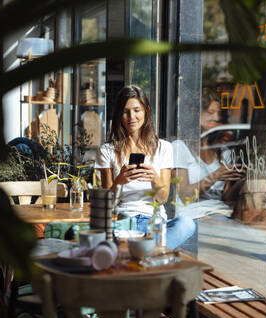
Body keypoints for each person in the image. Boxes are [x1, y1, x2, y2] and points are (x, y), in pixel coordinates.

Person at [95, 85, 195, 250]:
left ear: (146, 111)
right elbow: (106, 202)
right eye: (125, 111)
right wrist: (119, 181)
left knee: (187, 223)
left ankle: (144, 251)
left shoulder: (164, 147)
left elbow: (162, 198)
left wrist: (154, 178)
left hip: (154, 220)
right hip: (124, 220)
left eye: (137, 110)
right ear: (119, 114)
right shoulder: (107, 151)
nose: (131, 117)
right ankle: (152, 251)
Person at [172, 88, 244, 219]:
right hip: (194, 216)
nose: (216, 118)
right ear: (195, 113)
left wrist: (242, 181)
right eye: (211, 112)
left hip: (222, 212)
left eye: (218, 113)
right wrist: (215, 176)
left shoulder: (222, 152)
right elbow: (185, 196)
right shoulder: (180, 148)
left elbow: (226, 198)